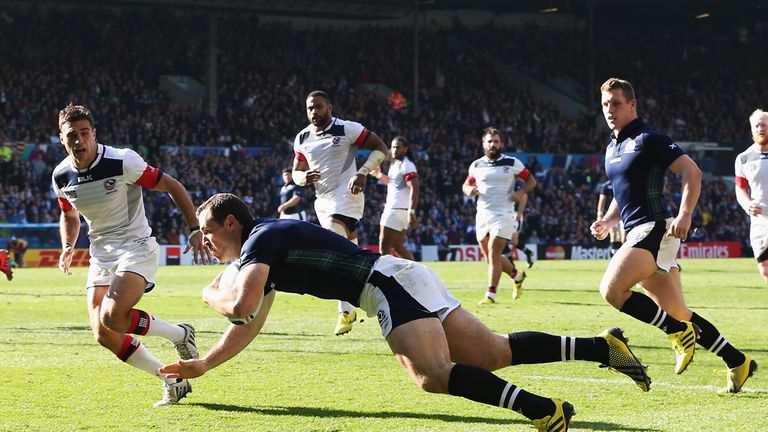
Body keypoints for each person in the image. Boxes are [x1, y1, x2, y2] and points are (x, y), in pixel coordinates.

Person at [160, 193, 652, 432]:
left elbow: (240, 306)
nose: (206, 243)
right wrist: (205, 365)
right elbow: (249, 323)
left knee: (431, 375)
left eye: (208, 233)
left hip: (384, 283)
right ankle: (602, 348)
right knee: (492, 353)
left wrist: (209, 293)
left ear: (231, 223)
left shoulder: (261, 240)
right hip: (400, 275)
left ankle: (543, 411)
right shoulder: (266, 249)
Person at [590, 78, 756, 393]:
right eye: (605, 104)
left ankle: (677, 332)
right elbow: (622, 192)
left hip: (652, 228)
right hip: (638, 231)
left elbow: (692, 172)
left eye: (616, 103)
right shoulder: (612, 147)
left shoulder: (649, 138)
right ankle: (737, 361)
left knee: (611, 290)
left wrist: (685, 214)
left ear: (632, 105)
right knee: (678, 311)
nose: (609, 110)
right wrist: (608, 220)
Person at [52, 104, 210, 407]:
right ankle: (172, 379)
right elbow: (69, 215)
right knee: (104, 333)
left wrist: (194, 228)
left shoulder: (122, 161)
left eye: (84, 133)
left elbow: (171, 185)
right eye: (71, 135)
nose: (79, 140)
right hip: (101, 255)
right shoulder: (60, 175)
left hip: (135, 247)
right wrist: (68, 246)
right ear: (62, 139)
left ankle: (179, 334)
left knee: (113, 316)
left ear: (94, 133)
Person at [291, 90, 388, 335]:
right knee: (351, 254)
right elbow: (295, 172)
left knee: (332, 246)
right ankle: (371, 294)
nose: (314, 111)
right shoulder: (302, 137)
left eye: (319, 106)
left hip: (347, 196)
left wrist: (363, 172)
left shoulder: (346, 128)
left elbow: (381, 148)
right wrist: (303, 178)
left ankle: (345, 310)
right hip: (322, 201)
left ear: (329, 107)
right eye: (310, 108)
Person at [462, 127, 536, 304]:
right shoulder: (476, 165)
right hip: (482, 214)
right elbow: (465, 185)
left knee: (494, 251)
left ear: (501, 143)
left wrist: (520, 192)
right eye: (490, 141)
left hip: (504, 214)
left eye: (496, 141)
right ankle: (517, 275)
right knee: (490, 258)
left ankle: (490, 294)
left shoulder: (512, 162)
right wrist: (469, 190)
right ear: (483, 144)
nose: (493, 145)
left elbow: (531, 181)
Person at [371, 136, 419, 260]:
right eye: (393, 147)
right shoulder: (396, 164)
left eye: (398, 147)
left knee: (384, 247)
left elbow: (415, 188)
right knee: (398, 246)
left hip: (395, 210)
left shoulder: (406, 165)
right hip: (399, 210)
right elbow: (393, 183)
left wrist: (411, 211)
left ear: (405, 149)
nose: (394, 150)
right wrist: (378, 175)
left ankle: (384, 272)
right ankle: (415, 270)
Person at [735, 108, 768, 282]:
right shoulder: (744, 158)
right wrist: (747, 204)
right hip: (760, 220)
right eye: (757, 126)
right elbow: (740, 188)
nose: (760, 128)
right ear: (752, 130)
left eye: (764, 125)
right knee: (765, 269)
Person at [595, 177, 624, 257]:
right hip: (611, 215)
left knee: (623, 238)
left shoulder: (621, 183)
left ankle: (623, 256)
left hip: (623, 213)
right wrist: (599, 216)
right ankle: (614, 256)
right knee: (614, 235)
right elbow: (602, 201)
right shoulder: (606, 186)